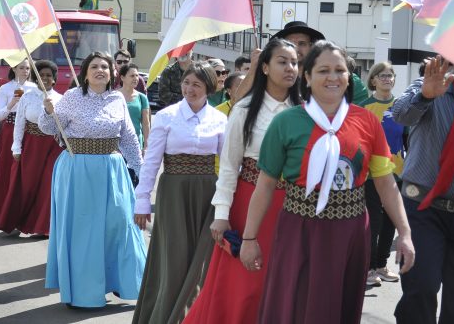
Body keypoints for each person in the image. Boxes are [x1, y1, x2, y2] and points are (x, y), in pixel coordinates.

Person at [241, 40, 414, 324]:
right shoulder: (286, 122)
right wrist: (249, 239)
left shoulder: (367, 121)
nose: (332, 77)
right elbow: (265, 185)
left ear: (349, 77)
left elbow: (386, 183)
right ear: (307, 77)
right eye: (323, 70)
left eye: (339, 70)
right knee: (295, 306)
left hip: (351, 233)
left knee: (341, 307)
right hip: (300, 231)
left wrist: (405, 234)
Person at [184, 38, 300, 324]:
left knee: (287, 283)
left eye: (295, 62)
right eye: (282, 62)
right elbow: (228, 165)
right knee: (245, 286)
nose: (290, 68)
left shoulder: (305, 110)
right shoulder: (245, 109)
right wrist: (221, 215)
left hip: (295, 207)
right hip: (249, 203)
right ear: (265, 67)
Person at [38, 51, 146, 308]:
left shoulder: (117, 99)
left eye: (105, 67)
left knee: (120, 225)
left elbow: (129, 137)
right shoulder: (72, 97)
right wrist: (48, 112)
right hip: (78, 171)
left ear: (112, 73)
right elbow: (49, 128)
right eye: (94, 66)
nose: (100, 70)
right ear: (85, 73)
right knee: (84, 232)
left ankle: (121, 282)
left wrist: (142, 172)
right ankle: (83, 293)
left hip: (113, 170)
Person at [392, 56, 454, 324]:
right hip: (423, 209)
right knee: (420, 289)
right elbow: (400, 114)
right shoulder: (430, 85)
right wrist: (425, 96)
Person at [132, 61, 227, 324]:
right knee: (174, 257)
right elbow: (151, 162)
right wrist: (142, 201)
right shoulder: (166, 116)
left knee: (202, 259)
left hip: (208, 194)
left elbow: (230, 164)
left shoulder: (220, 119)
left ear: (209, 87)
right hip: (173, 193)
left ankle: (194, 316)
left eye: (196, 84)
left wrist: (228, 201)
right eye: (186, 83)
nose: (189, 89)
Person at [0, 60, 62, 236]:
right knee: (27, 185)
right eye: (41, 75)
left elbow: (65, 126)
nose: (45, 78)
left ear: (54, 79)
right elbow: (19, 123)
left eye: (49, 75)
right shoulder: (27, 97)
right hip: (31, 145)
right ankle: (18, 221)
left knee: (48, 185)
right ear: (36, 78)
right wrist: (16, 147)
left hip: (54, 147)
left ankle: (42, 227)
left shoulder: (61, 99)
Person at [237, 21, 368, 102]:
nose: (296, 48)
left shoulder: (338, 79)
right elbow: (238, 101)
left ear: (311, 46)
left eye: (302, 43)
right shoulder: (271, 78)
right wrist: (254, 68)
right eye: (290, 43)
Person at [360, 61, 407, 287]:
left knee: (391, 220)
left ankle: (381, 265)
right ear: (373, 80)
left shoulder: (401, 107)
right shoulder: (364, 107)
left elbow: (408, 139)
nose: (387, 79)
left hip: (397, 172)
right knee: (374, 221)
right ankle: (368, 268)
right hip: (371, 174)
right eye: (382, 76)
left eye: (390, 75)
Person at [0, 60, 36, 225]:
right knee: (7, 168)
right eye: (21, 68)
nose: (25, 71)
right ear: (13, 69)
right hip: (10, 129)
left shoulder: (34, 88)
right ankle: (2, 209)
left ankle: (23, 209)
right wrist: (12, 103)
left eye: (27, 68)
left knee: (27, 170)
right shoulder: (5, 88)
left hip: (30, 130)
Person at [118, 63, 150, 151]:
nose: (136, 78)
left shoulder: (142, 97)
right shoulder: (113, 96)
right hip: (117, 144)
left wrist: (146, 146)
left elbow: (146, 124)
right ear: (122, 77)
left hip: (136, 143)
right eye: (132, 76)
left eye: (137, 75)